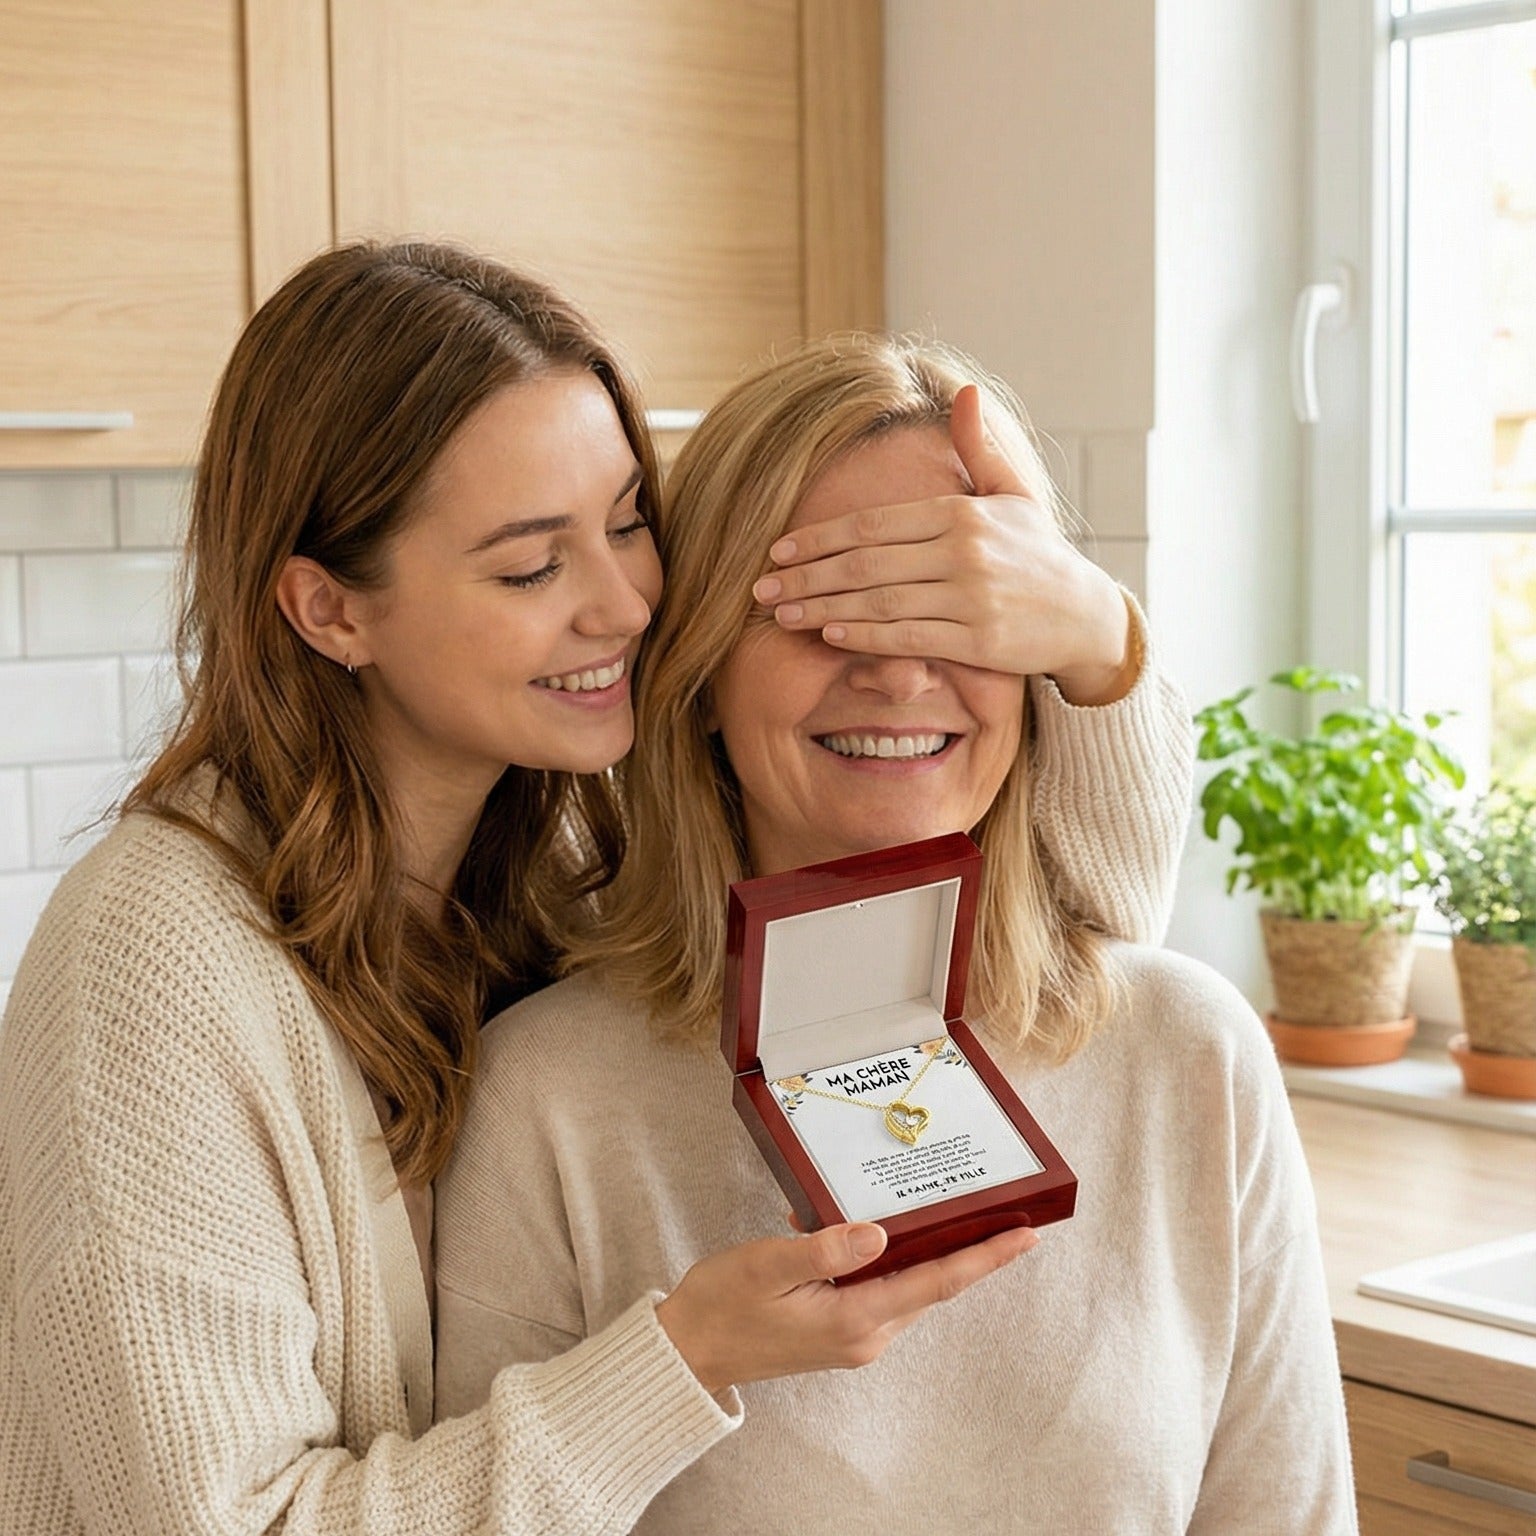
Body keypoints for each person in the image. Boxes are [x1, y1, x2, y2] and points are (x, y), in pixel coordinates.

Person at [0, 243, 1193, 1535]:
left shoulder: (556, 854)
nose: (626, 605)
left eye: (630, 521)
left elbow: (1096, 907)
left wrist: (1093, 636)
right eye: (530, 567)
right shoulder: (151, 967)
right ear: (328, 610)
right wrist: (684, 1357)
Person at [433, 334, 1356, 1533]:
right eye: (818, 610)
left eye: (959, 607)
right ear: (700, 676)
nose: (898, 671)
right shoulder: (550, 1094)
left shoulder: (1191, 1058)